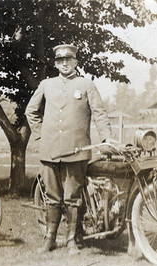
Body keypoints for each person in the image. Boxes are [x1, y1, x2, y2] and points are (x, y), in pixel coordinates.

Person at [25, 44, 115, 255]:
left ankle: (72, 240)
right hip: (50, 151)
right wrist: (40, 135)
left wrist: (106, 137)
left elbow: (99, 113)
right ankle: (50, 239)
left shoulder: (86, 85)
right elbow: (31, 111)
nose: (64, 64)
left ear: (76, 62)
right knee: (52, 197)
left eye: (68, 60)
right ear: (56, 64)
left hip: (76, 150)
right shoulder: (47, 85)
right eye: (60, 61)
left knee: (73, 197)